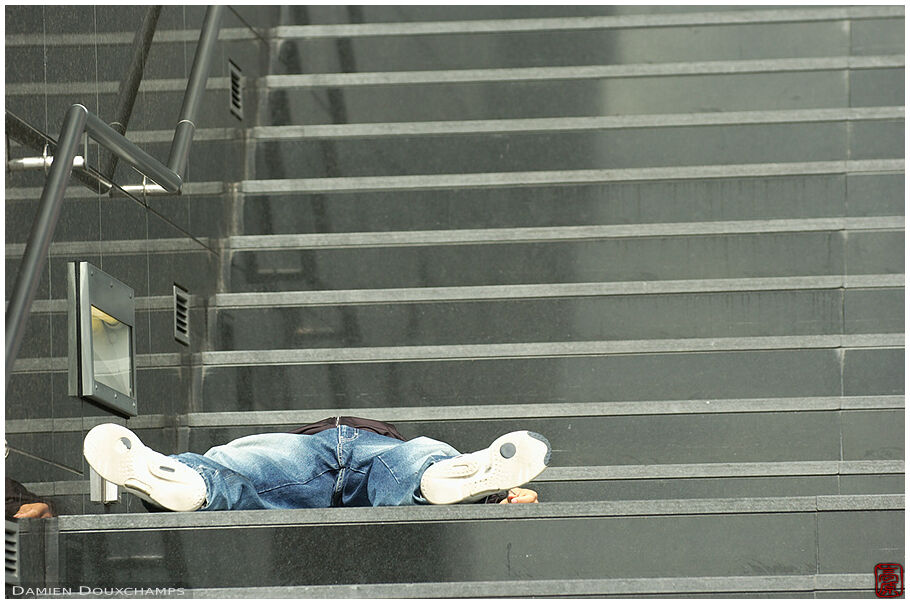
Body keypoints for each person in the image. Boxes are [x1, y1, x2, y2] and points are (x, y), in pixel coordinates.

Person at [83, 416, 550, 512]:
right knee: (415, 459)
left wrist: (502, 496)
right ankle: (442, 478)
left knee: (242, 467)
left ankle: (193, 482)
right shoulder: (391, 443)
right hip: (376, 452)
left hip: (307, 447)